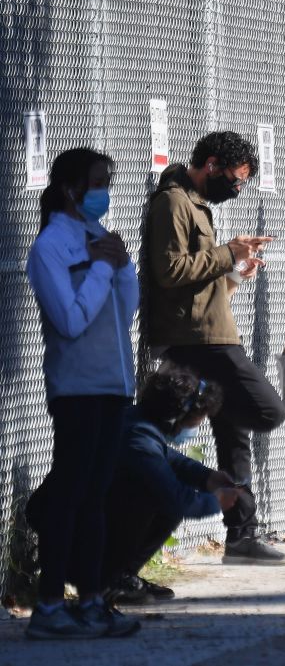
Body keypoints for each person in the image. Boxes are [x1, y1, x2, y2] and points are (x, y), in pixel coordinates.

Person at [145, 131, 285, 565]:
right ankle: (191, 430)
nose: (237, 188)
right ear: (210, 164)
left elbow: (201, 282)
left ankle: (241, 535)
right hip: (200, 339)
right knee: (268, 412)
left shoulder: (196, 205)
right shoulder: (174, 203)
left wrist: (237, 270)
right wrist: (227, 253)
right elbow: (170, 272)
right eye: (235, 179)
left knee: (234, 437)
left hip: (212, 330)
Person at [25, 148, 141, 639]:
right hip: (76, 389)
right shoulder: (51, 246)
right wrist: (97, 269)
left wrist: (123, 266)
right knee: (69, 497)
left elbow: (126, 309)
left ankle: (92, 599)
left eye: (107, 182)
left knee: (95, 498)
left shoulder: (98, 238)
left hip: (114, 386)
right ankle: (49, 605)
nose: (103, 193)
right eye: (96, 183)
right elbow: (70, 321)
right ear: (72, 189)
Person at [101, 366, 240, 605]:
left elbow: (170, 459)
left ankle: (121, 576)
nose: (196, 426)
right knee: (161, 500)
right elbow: (177, 498)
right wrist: (216, 501)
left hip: (85, 518)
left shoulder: (138, 422)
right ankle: (109, 580)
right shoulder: (139, 438)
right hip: (75, 527)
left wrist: (208, 478)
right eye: (197, 419)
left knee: (161, 498)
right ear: (177, 415)